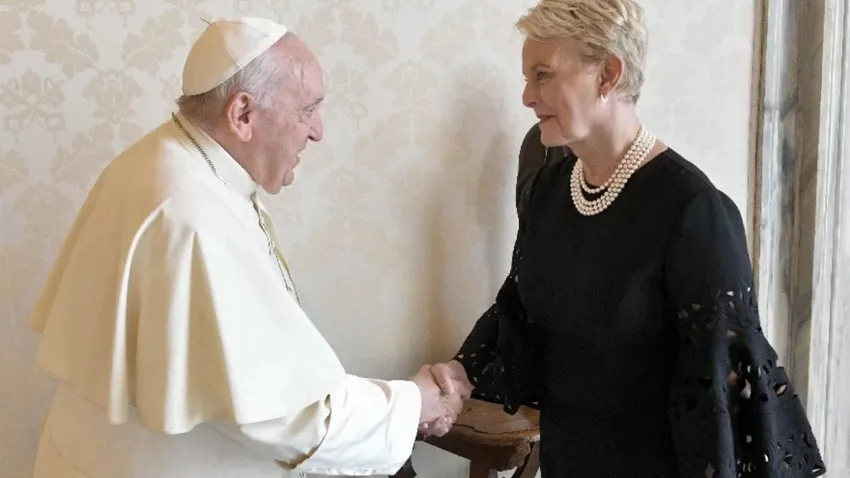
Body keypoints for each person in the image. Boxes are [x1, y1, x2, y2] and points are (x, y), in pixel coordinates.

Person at [28, 17, 470, 478]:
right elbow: (284, 418)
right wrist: (414, 403)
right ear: (242, 114)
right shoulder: (193, 216)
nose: (318, 131)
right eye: (307, 110)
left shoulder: (162, 162)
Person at [430, 1, 827, 477]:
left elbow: (722, 402)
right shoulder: (550, 190)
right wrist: (456, 373)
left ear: (608, 74)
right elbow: (517, 307)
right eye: (527, 78)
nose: (527, 97)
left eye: (543, 75)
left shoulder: (695, 212)